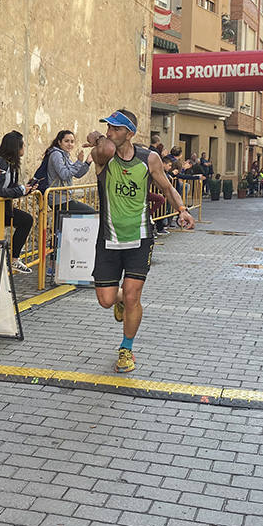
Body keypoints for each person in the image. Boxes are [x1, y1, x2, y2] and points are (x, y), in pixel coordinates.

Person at [85, 108, 195, 373]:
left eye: (116, 129)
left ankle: (126, 349)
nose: (111, 132)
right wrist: (98, 137)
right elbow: (99, 147)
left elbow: (167, 187)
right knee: (106, 300)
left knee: (134, 296)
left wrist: (182, 210)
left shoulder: (149, 159)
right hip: (108, 239)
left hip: (140, 238)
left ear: (130, 133)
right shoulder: (104, 156)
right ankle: (120, 298)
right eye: (108, 128)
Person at [0, 130, 36, 273]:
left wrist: (26, 189)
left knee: (26, 220)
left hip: (0, 207)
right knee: (25, 220)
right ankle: (9, 261)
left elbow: (10, 188)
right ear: (16, 147)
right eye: (22, 144)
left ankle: (14, 259)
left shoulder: (11, 163)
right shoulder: (1, 162)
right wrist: (20, 190)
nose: (24, 147)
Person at [45, 130, 94, 213]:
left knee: (62, 224)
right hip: (59, 199)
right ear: (59, 142)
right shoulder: (56, 155)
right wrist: (78, 162)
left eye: (72, 142)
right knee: (90, 212)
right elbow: (64, 175)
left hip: (66, 198)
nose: (70, 144)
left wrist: (87, 163)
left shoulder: (65, 156)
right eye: (66, 141)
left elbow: (77, 174)